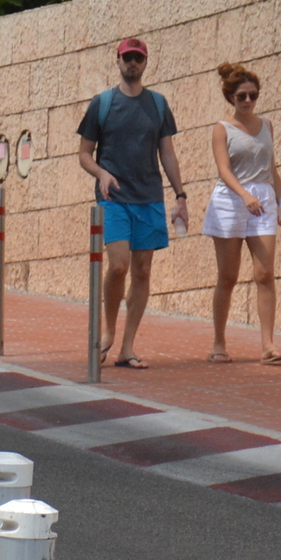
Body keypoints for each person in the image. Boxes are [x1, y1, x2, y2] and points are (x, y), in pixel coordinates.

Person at [75, 37, 186, 371]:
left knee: (142, 270)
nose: (132, 63)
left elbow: (166, 152)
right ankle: (108, 330)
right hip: (114, 199)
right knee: (119, 265)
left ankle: (127, 347)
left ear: (146, 63)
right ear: (118, 61)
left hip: (149, 197)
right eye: (127, 58)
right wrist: (101, 174)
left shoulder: (158, 105)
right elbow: (84, 153)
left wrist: (181, 196)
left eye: (138, 58)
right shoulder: (102, 104)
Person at [205, 62, 281, 364]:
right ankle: (218, 342)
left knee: (264, 273)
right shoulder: (222, 129)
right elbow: (223, 170)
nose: (248, 101)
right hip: (231, 199)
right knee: (227, 276)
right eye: (242, 96)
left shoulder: (266, 125)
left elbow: (271, 165)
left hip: (263, 198)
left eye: (253, 95)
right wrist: (243, 195)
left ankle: (268, 344)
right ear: (231, 97)